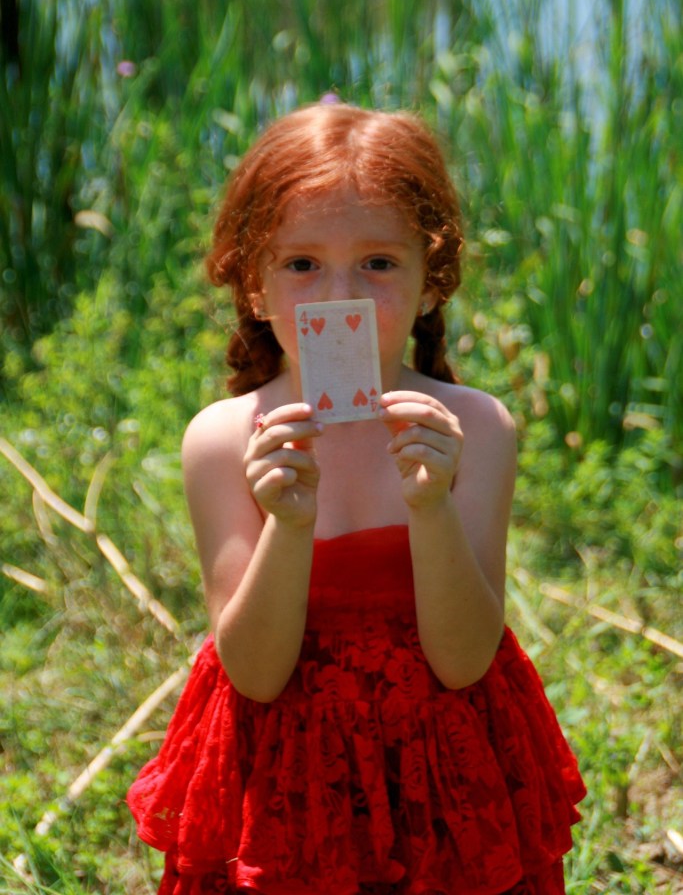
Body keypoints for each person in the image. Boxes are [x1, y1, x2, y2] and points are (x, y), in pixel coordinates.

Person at [127, 101, 586, 895]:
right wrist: (289, 524)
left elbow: (465, 658)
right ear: (254, 286)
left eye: (377, 263)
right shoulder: (223, 439)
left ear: (429, 279)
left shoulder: (473, 426)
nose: (337, 296)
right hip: (285, 779)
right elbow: (256, 675)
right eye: (300, 264)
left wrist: (431, 507)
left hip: (442, 773)